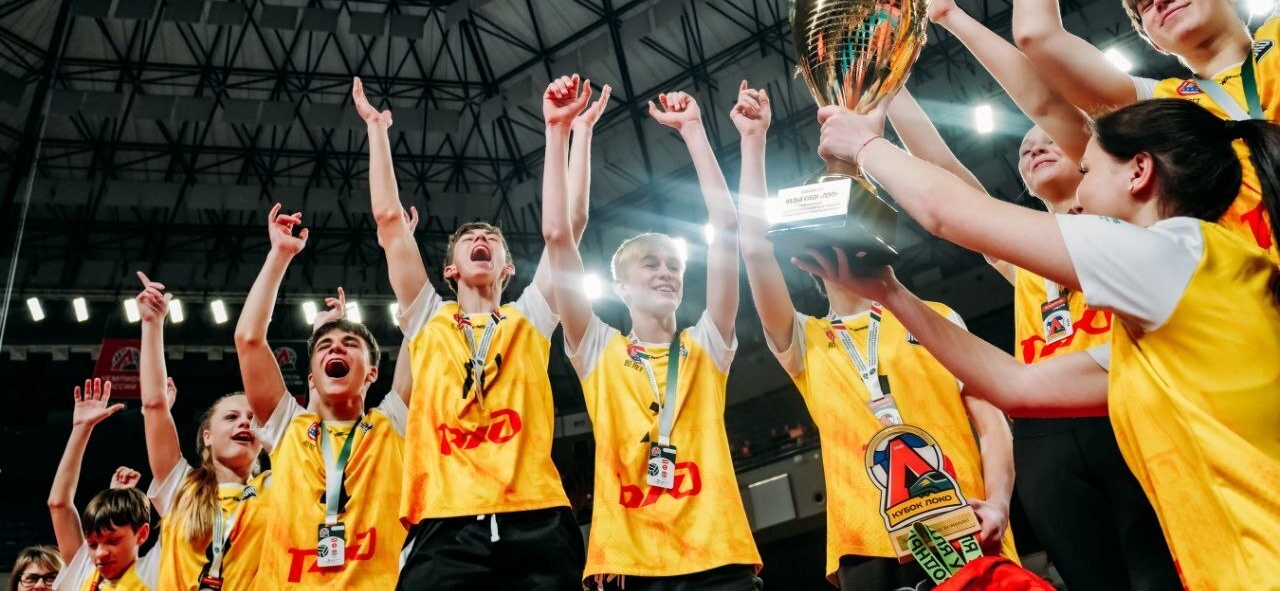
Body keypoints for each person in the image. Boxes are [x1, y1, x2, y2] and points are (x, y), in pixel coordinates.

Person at [812, 95, 1280, 589]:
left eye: (1087, 168)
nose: (1081, 187)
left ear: (1139, 172)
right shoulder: (1170, 308)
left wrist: (863, 146)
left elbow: (946, 211)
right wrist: (890, 293)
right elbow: (1018, 386)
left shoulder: (1174, 254)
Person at [891, 0, 1181, 588]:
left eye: (1048, 141)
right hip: (1044, 429)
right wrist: (886, 85)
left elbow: (1052, 106)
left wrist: (951, 15)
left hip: (1123, 400)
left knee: (1162, 572)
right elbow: (945, 176)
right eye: (1025, 151)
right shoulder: (1025, 253)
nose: (1037, 148)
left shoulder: (1125, 220)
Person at [731, 80, 1015, 590]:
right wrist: (753, 142)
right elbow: (754, 250)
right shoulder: (804, 339)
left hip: (966, 521)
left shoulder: (936, 317)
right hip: (866, 543)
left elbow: (993, 425)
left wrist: (998, 502)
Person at [351, 76, 595, 589]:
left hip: (536, 515)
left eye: (491, 238)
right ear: (451, 270)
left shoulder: (531, 316)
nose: (480, 237)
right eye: (468, 238)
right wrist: (376, 130)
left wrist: (564, 134)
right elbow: (390, 222)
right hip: (445, 520)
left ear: (507, 268)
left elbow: (568, 227)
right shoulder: (427, 317)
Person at [986, 0, 1280, 259]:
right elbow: (1037, 36)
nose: (1160, 0)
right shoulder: (1162, 104)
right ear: (1154, 42)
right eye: (1146, 6)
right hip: (1257, 280)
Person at [543, 75, 761, 589]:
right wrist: (560, 133)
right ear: (619, 286)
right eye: (650, 264)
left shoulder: (707, 344)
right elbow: (557, 236)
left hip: (718, 558)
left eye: (673, 266)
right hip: (632, 563)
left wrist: (694, 131)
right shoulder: (597, 349)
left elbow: (727, 230)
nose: (666, 273)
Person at [233, 205, 411, 588]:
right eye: (325, 346)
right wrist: (279, 255)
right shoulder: (287, 427)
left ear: (372, 373)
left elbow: (421, 327)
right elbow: (248, 340)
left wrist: (401, 245)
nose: (336, 348)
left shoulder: (392, 423)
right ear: (312, 377)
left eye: (350, 344)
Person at [132, 271, 270, 590]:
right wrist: (152, 325)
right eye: (231, 417)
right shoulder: (181, 486)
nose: (244, 423)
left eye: (252, 418)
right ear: (207, 436)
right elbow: (154, 406)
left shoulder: (274, 488)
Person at [48, 379, 157, 590]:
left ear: (142, 534)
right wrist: (81, 428)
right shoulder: (86, 570)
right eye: (92, 544)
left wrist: (158, 412)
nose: (101, 553)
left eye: (113, 541)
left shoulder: (157, 573)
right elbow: (58, 504)